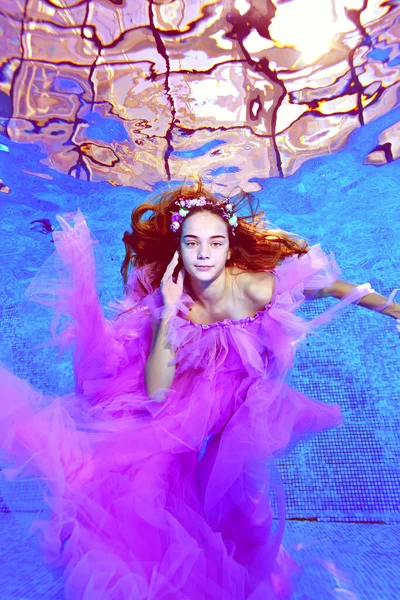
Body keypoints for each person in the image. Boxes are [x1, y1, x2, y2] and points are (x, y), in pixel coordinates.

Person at [0, 180, 398, 600]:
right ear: (180, 250)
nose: (204, 254)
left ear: (229, 248)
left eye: (215, 243)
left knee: (238, 503)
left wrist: (393, 310)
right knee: (138, 494)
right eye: (192, 244)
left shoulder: (255, 287)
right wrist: (168, 311)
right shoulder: (169, 298)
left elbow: (333, 287)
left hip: (230, 405)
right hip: (166, 409)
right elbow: (156, 391)